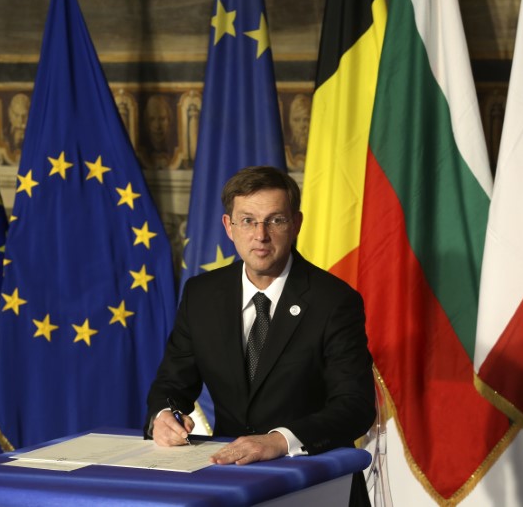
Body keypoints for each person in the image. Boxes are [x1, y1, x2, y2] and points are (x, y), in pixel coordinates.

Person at [145, 166, 375, 505]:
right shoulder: (202, 295)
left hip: (314, 483)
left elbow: (355, 406)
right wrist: (163, 415)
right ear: (229, 226)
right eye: (248, 221)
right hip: (230, 482)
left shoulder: (334, 301)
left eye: (275, 220)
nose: (261, 235)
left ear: (296, 224)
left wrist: (279, 441)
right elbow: (172, 384)